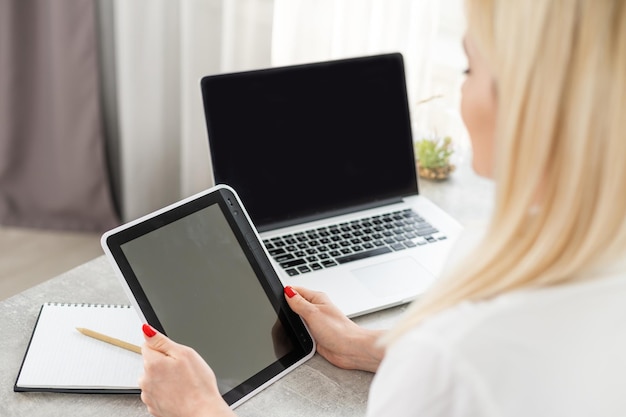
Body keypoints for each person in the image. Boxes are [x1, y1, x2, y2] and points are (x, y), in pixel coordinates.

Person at [138, 0, 626, 415]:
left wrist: (201, 409)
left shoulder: (453, 356)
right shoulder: (536, 255)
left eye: (471, 68)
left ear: (527, 101)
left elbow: (457, 372)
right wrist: (365, 346)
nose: (463, 90)